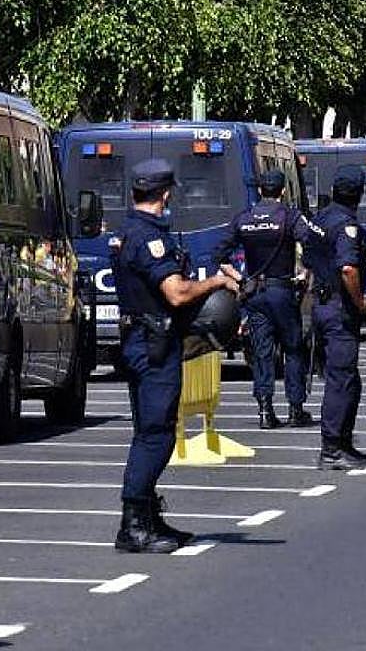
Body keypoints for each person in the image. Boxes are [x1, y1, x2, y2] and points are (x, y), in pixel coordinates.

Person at [112, 159, 240, 552]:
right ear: (165, 195)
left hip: (143, 339)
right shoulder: (149, 238)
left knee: (151, 430)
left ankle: (149, 516)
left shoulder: (127, 231)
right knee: (156, 435)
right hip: (154, 345)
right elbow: (176, 293)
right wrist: (216, 281)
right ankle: (134, 526)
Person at [213, 169, 324, 429]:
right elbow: (311, 242)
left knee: (261, 351)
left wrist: (239, 279)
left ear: (260, 190)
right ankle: (296, 409)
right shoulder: (289, 216)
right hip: (282, 290)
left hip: (255, 293)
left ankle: (265, 409)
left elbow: (218, 254)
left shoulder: (244, 218)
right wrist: (306, 272)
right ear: (283, 191)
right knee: (293, 348)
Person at [304, 165, 366, 470]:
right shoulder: (347, 227)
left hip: (320, 303)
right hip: (338, 308)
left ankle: (344, 444)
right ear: (360, 194)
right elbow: (348, 268)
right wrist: (359, 302)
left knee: (348, 380)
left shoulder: (320, 219)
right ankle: (332, 448)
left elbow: (307, 259)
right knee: (341, 380)